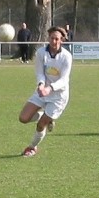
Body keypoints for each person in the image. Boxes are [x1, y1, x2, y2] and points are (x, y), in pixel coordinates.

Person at [18, 26, 73, 157]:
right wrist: (41, 84)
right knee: (23, 118)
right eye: (52, 38)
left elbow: (64, 79)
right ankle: (47, 118)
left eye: (57, 39)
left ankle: (32, 147)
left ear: (62, 40)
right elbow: (39, 72)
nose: (54, 42)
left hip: (58, 96)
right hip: (43, 91)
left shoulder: (66, 57)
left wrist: (50, 88)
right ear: (48, 38)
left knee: (41, 124)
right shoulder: (41, 53)